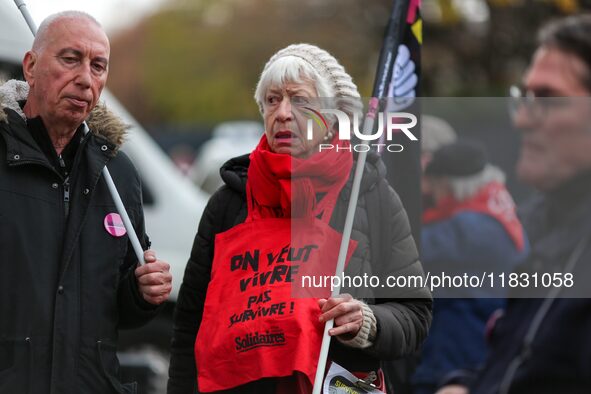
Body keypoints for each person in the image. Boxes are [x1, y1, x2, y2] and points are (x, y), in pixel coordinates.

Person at [168, 43, 432, 393]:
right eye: (272, 100)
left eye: (300, 100)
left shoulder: (369, 196)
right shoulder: (228, 203)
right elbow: (190, 326)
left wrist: (368, 323)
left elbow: (414, 313)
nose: (283, 113)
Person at [0, 11, 172, 394]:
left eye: (98, 66)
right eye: (70, 59)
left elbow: (121, 304)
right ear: (30, 67)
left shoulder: (118, 170)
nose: (85, 79)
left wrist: (143, 291)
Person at [436, 14, 591, 394]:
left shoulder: (474, 226)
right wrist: (465, 385)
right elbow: (524, 363)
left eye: (548, 99)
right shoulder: (543, 224)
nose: (521, 119)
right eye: (524, 98)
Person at [412, 141, 528, 394]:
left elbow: (408, 249)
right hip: (475, 343)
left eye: (435, 188)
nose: (432, 196)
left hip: (457, 352)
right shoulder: (499, 211)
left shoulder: (471, 227)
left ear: (450, 185)